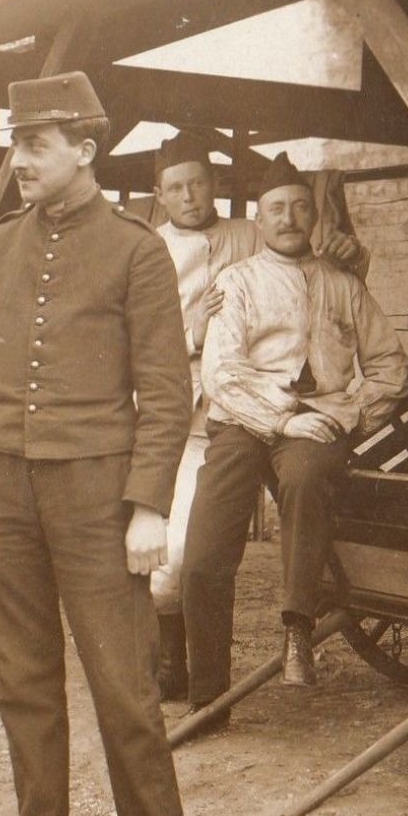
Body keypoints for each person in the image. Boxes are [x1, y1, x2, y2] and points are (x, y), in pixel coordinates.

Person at [0, 72, 226, 816]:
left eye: (36, 146)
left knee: (124, 688)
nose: (18, 161)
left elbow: (166, 395)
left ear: (84, 151)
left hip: (97, 498)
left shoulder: (137, 250)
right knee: (22, 680)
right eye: (16, 144)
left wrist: (147, 507)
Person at [150, 135, 365, 713]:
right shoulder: (149, 250)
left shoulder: (253, 232)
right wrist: (196, 330)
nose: (189, 196)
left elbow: (305, 256)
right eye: (176, 187)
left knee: (300, 484)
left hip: (253, 409)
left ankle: (296, 626)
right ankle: (176, 662)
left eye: (198, 183)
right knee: (179, 552)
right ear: (160, 194)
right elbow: (134, 337)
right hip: (182, 405)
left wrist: (349, 257)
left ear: (217, 186)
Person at [182, 153, 408, 694]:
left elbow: (391, 368)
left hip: (321, 420)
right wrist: (283, 419)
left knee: (306, 477)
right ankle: (208, 692)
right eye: (276, 209)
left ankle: (297, 630)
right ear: (259, 221)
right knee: (202, 556)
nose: (288, 218)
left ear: (314, 218)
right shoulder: (235, 282)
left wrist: (348, 412)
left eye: (299, 207)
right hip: (244, 420)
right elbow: (222, 373)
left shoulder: (344, 285)